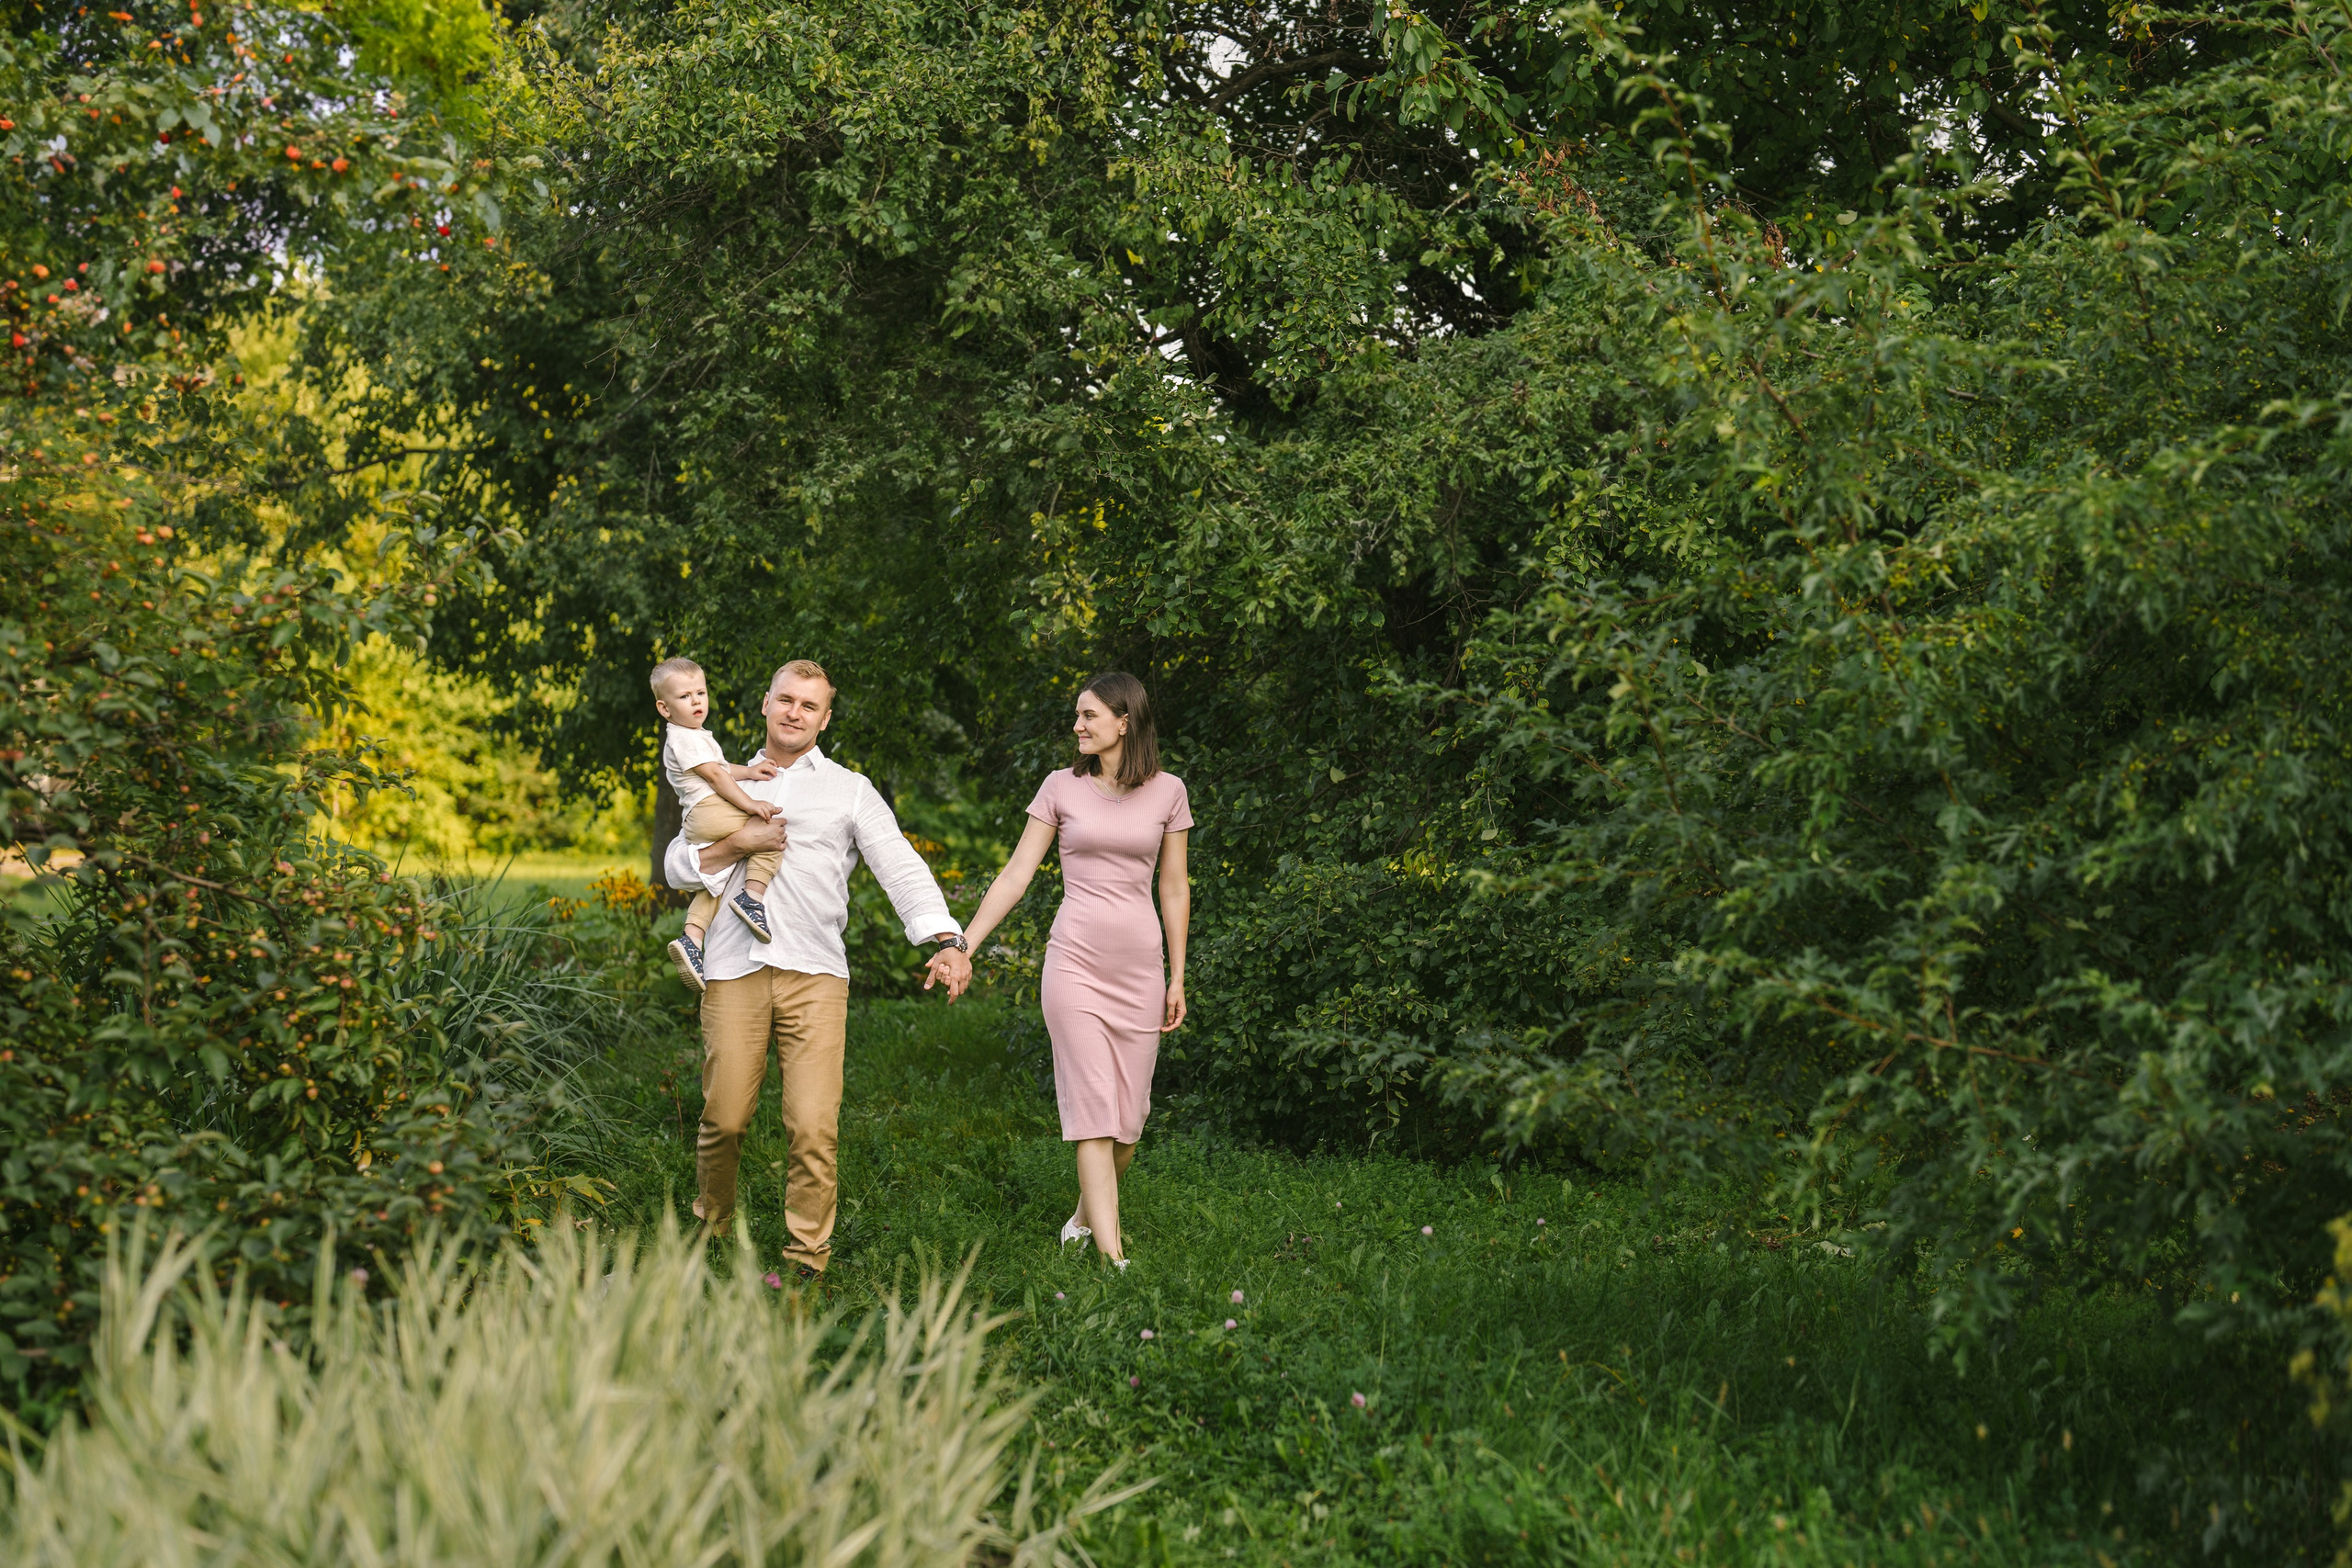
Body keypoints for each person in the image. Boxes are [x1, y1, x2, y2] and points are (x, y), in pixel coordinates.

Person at [663, 660, 972, 1280]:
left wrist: (946, 937)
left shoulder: (848, 788)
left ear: (825, 718)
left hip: (816, 975)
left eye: (809, 705)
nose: (795, 712)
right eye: (785, 699)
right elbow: (677, 862)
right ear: (765, 703)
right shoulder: (717, 775)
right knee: (723, 1118)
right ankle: (710, 1228)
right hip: (732, 968)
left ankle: (807, 1259)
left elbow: (900, 864)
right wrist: (738, 846)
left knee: (812, 1127)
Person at [958, 671, 1190, 1269]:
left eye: (1089, 715)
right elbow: (1015, 874)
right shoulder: (1061, 786)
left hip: (1140, 969)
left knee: (1129, 1124)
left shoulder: (1169, 791)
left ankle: (1086, 1217)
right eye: (1077, 716)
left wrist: (1178, 974)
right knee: (1094, 1111)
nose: (1077, 725)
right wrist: (966, 943)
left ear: (1124, 721)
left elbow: (1173, 887)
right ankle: (1112, 1258)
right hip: (1076, 964)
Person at [651, 656, 783, 993]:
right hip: (709, 810)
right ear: (664, 709)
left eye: (701, 692)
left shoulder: (690, 736)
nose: (696, 701)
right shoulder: (686, 738)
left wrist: (751, 771)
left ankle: (692, 939)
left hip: (701, 816)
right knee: (770, 834)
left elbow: (719, 768)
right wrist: (751, 803)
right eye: (684, 697)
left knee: (716, 878)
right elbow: (714, 777)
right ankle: (753, 897)